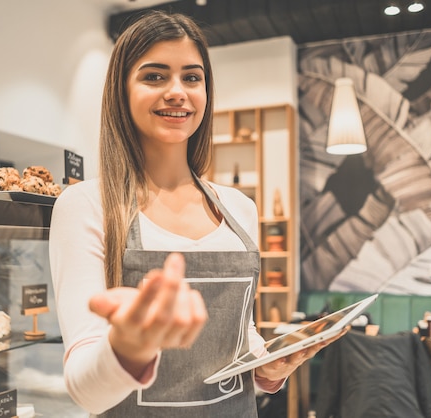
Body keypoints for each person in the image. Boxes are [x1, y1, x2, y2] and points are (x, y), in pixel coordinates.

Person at [49, 10, 338, 417]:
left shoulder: (239, 207)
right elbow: (85, 390)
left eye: (191, 77)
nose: (177, 92)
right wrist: (129, 346)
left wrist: (268, 364)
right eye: (154, 76)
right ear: (121, 91)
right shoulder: (85, 206)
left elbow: (238, 333)